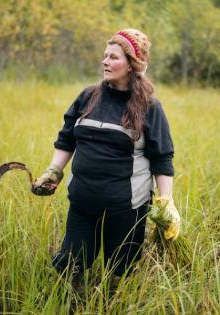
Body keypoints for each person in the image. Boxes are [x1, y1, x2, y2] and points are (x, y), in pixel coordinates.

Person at [32, 28, 181, 294]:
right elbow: (67, 139)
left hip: (126, 209)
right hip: (83, 202)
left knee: (119, 273)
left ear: (132, 65)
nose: (105, 62)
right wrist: (53, 171)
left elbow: (162, 158)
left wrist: (165, 201)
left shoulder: (149, 107)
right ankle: (73, 303)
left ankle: (113, 303)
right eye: (105, 56)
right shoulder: (88, 97)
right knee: (70, 264)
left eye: (113, 57)